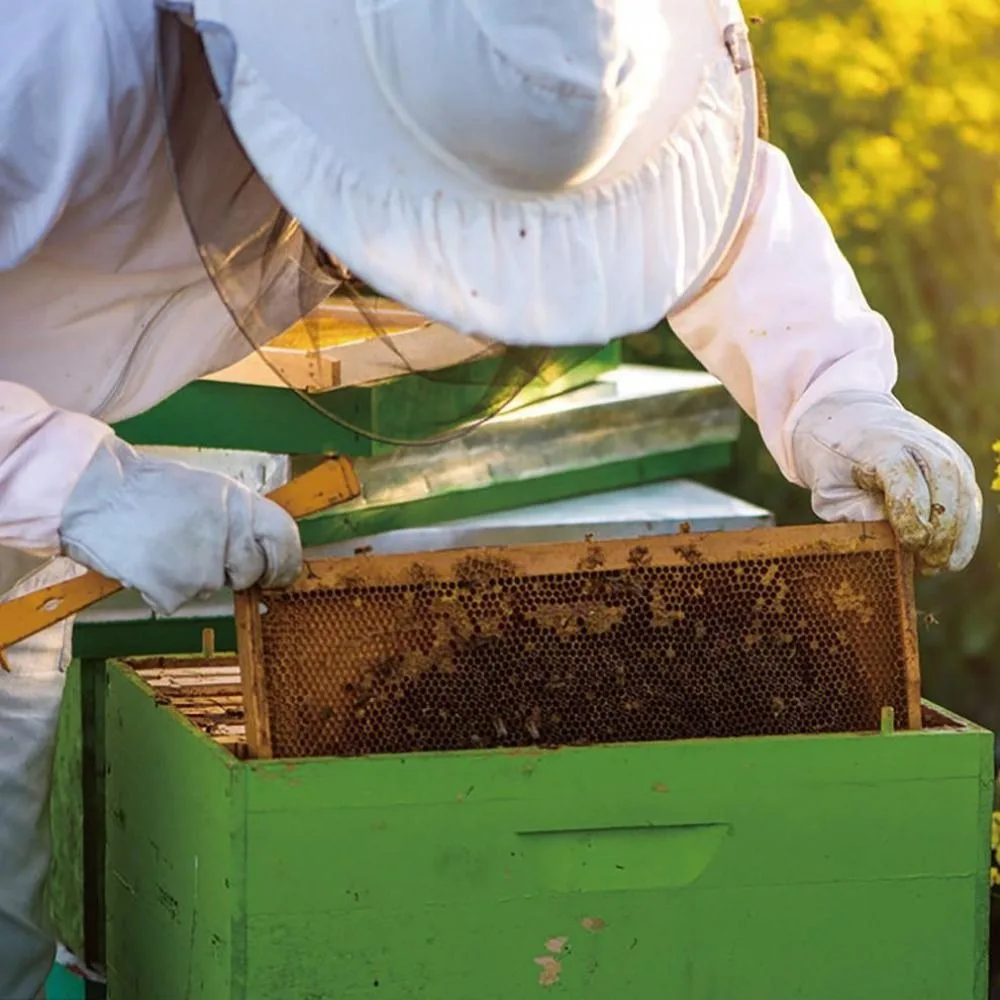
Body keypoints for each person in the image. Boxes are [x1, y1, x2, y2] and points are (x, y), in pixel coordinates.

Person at [1, 0, 982, 994]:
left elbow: (694, 211)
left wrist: (832, 391)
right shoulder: (50, 60)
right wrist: (76, 482)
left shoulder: (546, 53)